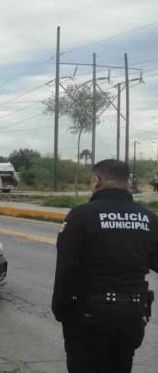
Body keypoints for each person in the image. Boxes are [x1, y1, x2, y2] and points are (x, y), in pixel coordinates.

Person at [52, 159, 156, 373]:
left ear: (96, 180)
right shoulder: (149, 218)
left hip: (89, 315)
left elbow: (66, 269)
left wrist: (61, 310)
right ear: (127, 182)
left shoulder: (81, 216)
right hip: (132, 313)